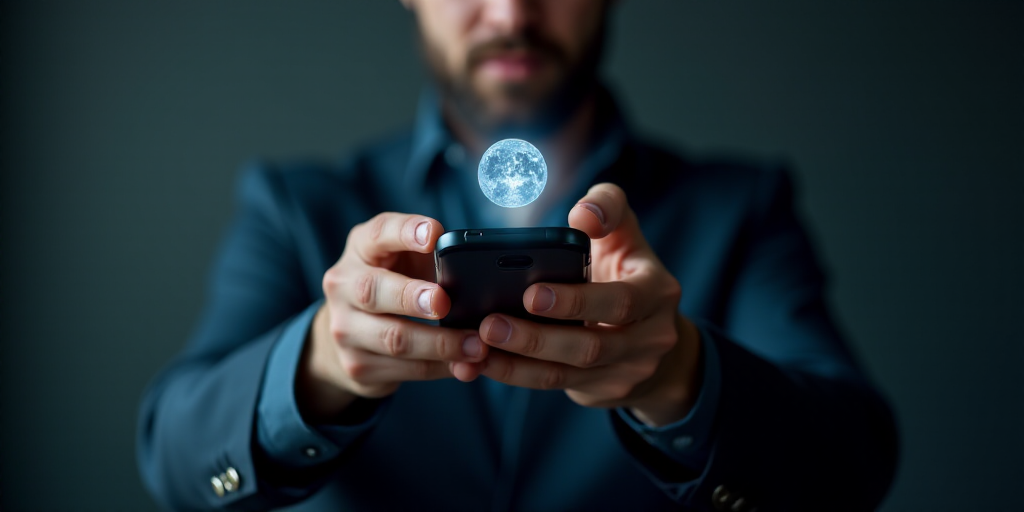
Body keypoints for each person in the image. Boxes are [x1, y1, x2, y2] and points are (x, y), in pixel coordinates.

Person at [137, 1, 898, 511]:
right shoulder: (299, 209)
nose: (511, 14)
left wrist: (680, 377)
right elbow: (173, 456)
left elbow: (854, 466)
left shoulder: (740, 208)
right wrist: (320, 364)